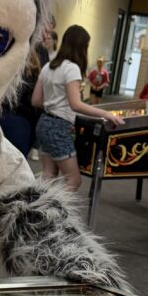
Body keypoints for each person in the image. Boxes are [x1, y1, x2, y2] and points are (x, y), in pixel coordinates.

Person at [32, 24, 124, 190]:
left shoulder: (48, 66)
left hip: (44, 123)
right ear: (81, 46)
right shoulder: (71, 68)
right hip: (59, 126)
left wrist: (53, 102)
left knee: (48, 176)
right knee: (73, 180)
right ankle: (55, 213)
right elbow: (76, 105)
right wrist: (106, 114)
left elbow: (36, 100)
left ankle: (40, 212)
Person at [0, 48, 41, 157]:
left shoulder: (10, 73)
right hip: (23, 120)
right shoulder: (36, 77)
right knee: (16, 158)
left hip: (6, 116)